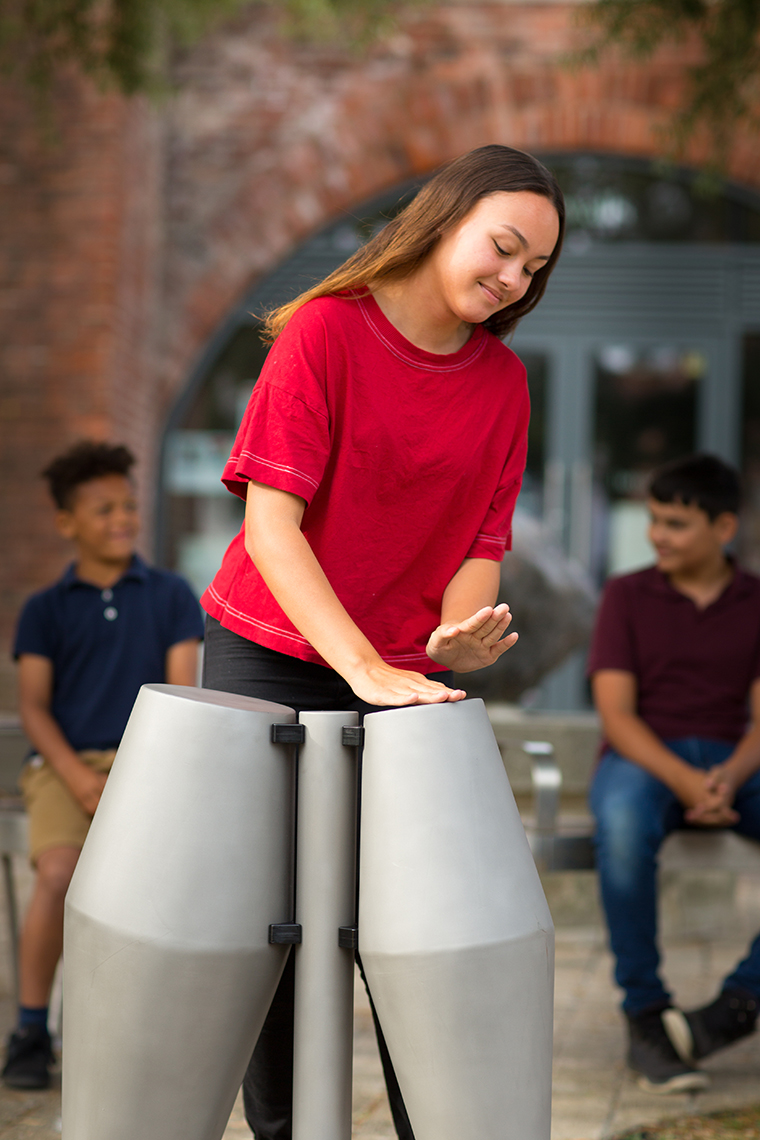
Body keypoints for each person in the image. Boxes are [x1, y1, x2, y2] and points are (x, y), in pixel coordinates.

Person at [200, 144, 564, 1140]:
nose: (513, 279)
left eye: (533, 268)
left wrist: (460, 631)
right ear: (444, 220)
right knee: (275, 930)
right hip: (268, 652)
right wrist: (363, 667)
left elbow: (479, 545)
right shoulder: (324, 332)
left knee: (419, 930)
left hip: (404, 680)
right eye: (502, 249)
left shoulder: (500, 384)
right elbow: (269, 529)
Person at [2, 441, 204, 1090]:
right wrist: (81, 777)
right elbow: (33, 708)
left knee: (146, 895)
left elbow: (181, 696)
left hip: (150, 762)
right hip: (63, 766)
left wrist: (136, 772)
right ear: (66, 523)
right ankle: (32, 1029)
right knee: (59, 875)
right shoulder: (45, 610)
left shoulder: (172, 595)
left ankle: (138, 1034)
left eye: (127, 505)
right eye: (102, 508)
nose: (121, 517)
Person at [588, 454, 760, 1095]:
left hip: (735, 760)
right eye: (655, 519)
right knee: (625, 827)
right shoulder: (626, 595)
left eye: (677, 523)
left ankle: (737, 1007)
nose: (657, 534)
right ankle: (647, 1015)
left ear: (724, 528)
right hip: (643, 757)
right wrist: (689, 784)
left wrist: (728, 775)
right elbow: (616, 716)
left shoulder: (755, 601)